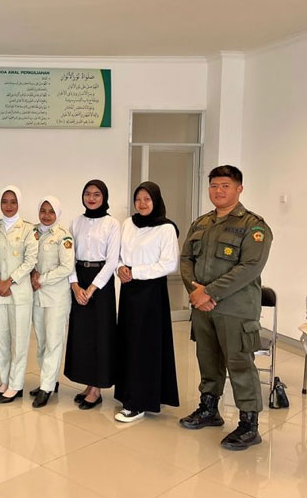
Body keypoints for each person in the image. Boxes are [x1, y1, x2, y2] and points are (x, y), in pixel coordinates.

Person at [179, 165, 273, 450]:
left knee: (240, 364)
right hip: (204, 309)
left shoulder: (254, 226)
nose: (218, 191)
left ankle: (248, 424)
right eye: (214, 186)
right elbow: (186, 259)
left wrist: (208, 292)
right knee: (208, 360)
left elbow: (250, 267)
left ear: (239, 188)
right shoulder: (201, 224)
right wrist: (196, 293)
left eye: (225, 186)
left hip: (235, 309)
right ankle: (209, 409)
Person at [114, 182, 180, 422]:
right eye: (138, 199)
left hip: (151, 292)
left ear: (156, 201)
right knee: (129, 342)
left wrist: (135, 271)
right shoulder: (128, 224)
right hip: (129, 291)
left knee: (145, 345)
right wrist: (120, 268)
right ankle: (128, 393)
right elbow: (119, 253)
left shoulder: (166, 228)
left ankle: (139, 401)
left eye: (147, 199)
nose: (142, 204)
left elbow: (169, 263)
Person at [64, 179, 120, 410]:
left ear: (104, 197)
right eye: (88, 193)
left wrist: (92, 288)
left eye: (97, 194)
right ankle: (88, 383)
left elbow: (112, 260)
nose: (92, 198)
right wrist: (76, 286)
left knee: (100, 335)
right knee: (82, 335)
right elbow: (68, 256)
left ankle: (97, 388)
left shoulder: (112, 223)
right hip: (79, 277)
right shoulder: (76, 222)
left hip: (101, 284)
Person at [0, 186, 38, 403]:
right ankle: (5, 380)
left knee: (20, 339)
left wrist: (10, 281)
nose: (8, 205)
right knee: (1, 338)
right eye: (4, 201)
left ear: (19, 204)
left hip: (19, 292)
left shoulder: (28, 229)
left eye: (13, 202)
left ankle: (16, 385)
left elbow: (31, 260)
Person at [29, 196, 75, 408]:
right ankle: (48, 380)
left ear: (58, 213)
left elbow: (67, 267)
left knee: (54, 343)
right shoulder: (32, 232)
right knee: (42, 343)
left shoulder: (64, 236)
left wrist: (42, 279)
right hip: (36, 296)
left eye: (51, 211)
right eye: (43, 211)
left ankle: (46, 387)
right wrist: (31, 276)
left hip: (56, 297)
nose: (46, 215)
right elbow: (27, 258)